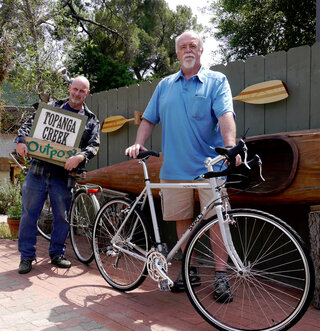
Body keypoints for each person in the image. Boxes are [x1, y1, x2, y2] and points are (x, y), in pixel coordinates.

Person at [125, 31, 240, 302]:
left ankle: (221, 276)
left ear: (201, 50)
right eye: (183, 47)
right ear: (176, 53)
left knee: (216, 223)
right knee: (183, 222)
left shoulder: (216, 81)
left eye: (193, 46)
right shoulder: (164, 85)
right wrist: (138, 143)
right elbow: (148, 119)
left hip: (210, 167)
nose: (188, 50)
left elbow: (226, 115)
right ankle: (190, 270)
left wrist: (231, 145)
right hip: (174, 169)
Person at [15, 76, 100, 274]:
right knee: (29, 215)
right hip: (38, 170)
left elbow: (94, 146)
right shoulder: (51, 107)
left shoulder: (91, 119)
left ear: (87, 94)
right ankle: (26, 257)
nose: (77, 94)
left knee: (62, 218)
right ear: (70, 88)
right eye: (75, 89)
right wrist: (21, 141)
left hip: (64, 177)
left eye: (82, 91)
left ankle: (57, 254)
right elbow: (27, 127)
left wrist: (80, 156)